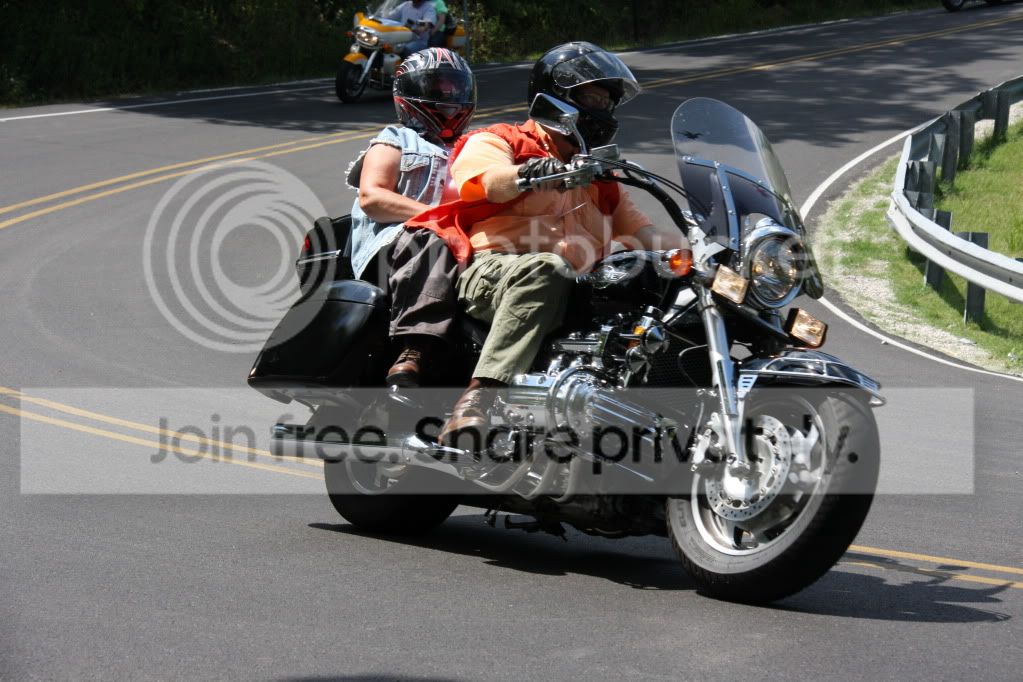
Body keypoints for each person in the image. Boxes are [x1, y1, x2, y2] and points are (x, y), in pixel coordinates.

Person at [406, 42, 690, 442]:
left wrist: (703, 254)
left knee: (661, 293)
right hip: (496, 273)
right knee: (546, 268)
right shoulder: (500, 140)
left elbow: (647, 236)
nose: (602, 110)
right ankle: (478, 399)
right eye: (592, 98)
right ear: (558, 97)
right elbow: (485, 181)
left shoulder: (600, 177)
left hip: (574, 284)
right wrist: (530, 174)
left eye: (607, 102)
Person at [347, 47, 476, 387]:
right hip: (398, 245)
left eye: (455, 87)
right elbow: (372, 197)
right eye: (438, 87)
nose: (449, 96)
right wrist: (439, 218)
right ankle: (415, 347)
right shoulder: (395, 139)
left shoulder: (475, 145)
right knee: (432, 237)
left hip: (463, 238)